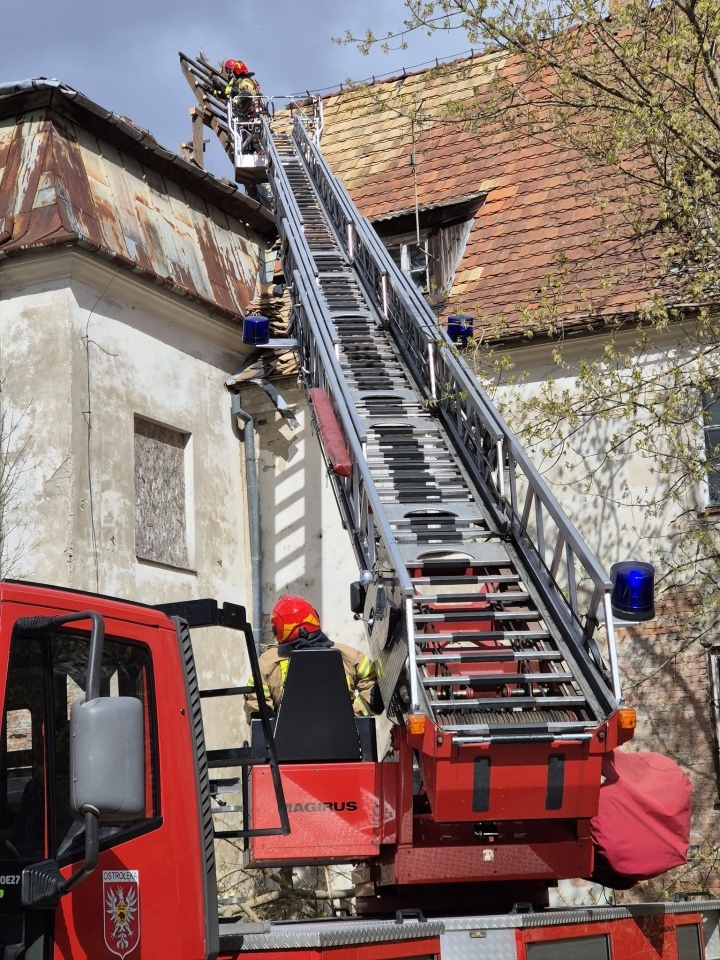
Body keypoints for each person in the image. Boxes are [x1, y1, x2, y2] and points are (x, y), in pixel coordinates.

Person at [244, 595, 379, 722]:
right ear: (314, 617)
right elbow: (374, 689)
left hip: (287, 744)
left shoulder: (267, 663)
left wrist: (275, 731)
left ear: (277, 630)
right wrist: (353, 717)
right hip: (346, 742)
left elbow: (256, 705)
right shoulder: (348, 655)